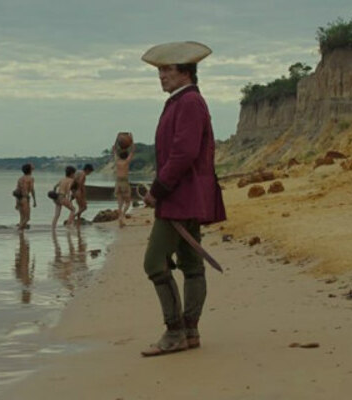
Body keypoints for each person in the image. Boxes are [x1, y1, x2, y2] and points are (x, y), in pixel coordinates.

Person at [138, 41, 226, 356]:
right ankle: (189, 332)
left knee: (154, 263)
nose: (161, 76)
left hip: (180, 197)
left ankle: (176, 332)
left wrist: (157, 190)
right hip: (186, 196)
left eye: (167, 69)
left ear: (185, 72)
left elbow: (183, 154)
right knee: (191, 264)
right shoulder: (183, 100)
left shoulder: (189, 102)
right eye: (160, 70)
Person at [112, 137, 135, 228]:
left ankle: (120, 218)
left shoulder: (117, 161)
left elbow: (114, 150)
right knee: (128, 202)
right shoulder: (126, 162)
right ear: (126, 156)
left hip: (118, 182)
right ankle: (122, 216)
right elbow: (132, 151)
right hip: (124, 182)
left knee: (120, 203)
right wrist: (132, 140)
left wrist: (116, 140)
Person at [51, 165, 77, 230]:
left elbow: (55, 187)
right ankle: (68, 225)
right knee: (73, 209)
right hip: (62, 197)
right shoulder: (71, 180)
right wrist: (68, 198)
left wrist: (54, 194)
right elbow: (68, 189)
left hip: (56, 197)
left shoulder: (62, 179)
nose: (74, 175)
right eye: (74, 174)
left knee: (57, 215)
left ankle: (53, 228)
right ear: (72, 173)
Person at [14, 163, 36, 230]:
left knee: (22, 218)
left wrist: (16, 202)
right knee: (27, 218)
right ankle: (19, 230)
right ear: (29, 170)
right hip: (25, 199)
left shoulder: (20, 179)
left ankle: (21, 234)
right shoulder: (30, 178)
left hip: (19, 198)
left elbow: (17, 190)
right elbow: (32, 189)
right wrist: (34, 200)